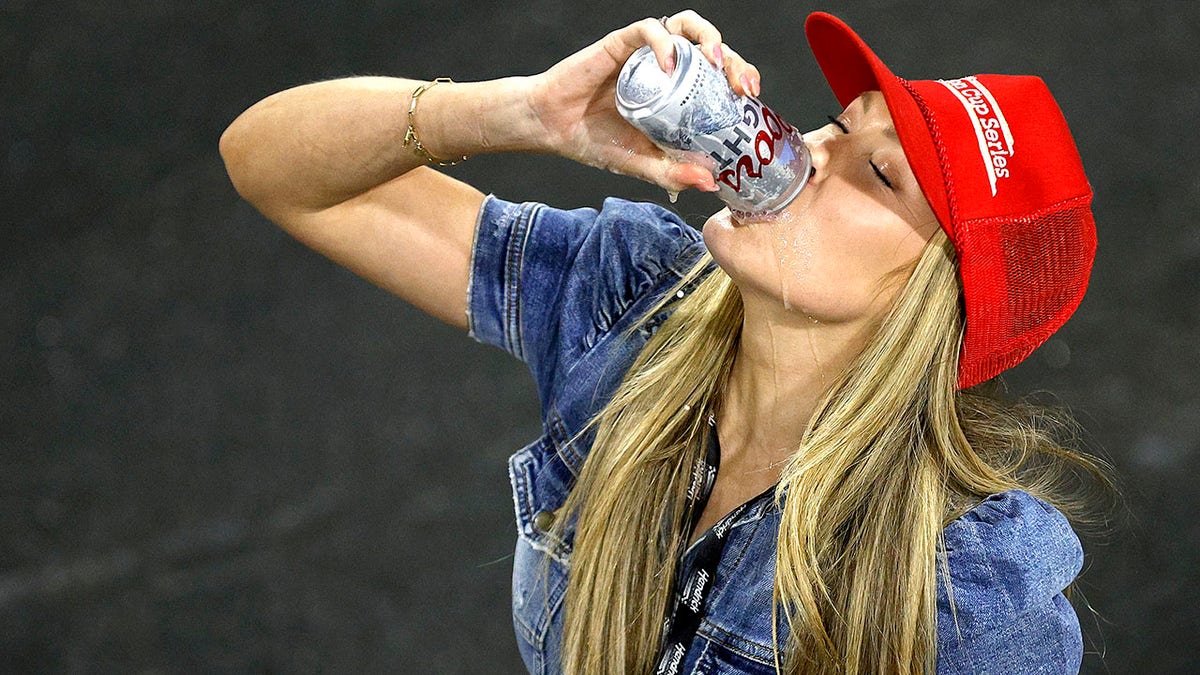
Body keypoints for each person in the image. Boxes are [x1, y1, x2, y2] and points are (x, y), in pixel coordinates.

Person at [219, 9, 1114, 675]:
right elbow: (271, 165)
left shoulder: (968, 580)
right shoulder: (635, 295)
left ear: (940, 295)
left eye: (877, 172)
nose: (801, 153)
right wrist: (523, 114)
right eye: (838, 127)